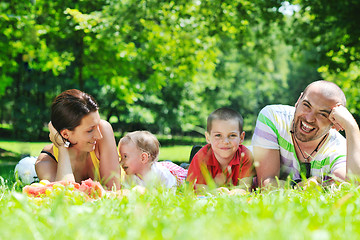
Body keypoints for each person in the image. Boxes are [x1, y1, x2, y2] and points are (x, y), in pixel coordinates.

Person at [251, 80, 360, 188]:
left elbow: (353, 186)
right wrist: (299, 187)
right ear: (298, 100)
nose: (309, 118)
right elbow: (266, 183)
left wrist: (352, 127)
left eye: (322, 114)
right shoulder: (273, 118)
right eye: (307, 105)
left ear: (335, 122)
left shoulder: (339, 148)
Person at [35, 89, 121, 189]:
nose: (99, 136)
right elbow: (64, 196)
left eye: (98, 124)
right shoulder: (45, 163)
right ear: (65, 134)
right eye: (90, 130)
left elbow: (113, 189)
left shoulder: (103, 130)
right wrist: (62, 148)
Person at [186, 107, 255, 190]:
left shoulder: (245, 155)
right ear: (208, 137)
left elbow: (245, 187)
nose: (225, 142)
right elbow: (194, 187)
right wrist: (215, 191)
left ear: (241, 137)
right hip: (201, 161)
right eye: (218, 135)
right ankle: (187, 165)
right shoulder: (201, 157)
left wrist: (232, 193)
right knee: (183, 173)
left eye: (232, 135)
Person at [118, 130, 187, 189]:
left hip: (172, 171)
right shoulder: (129, 176)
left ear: (143, 158)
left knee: (185, 173)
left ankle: (185, 166)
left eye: (125, 156)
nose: (120, 162)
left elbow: (171, 189)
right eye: (120, 157)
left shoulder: (161, 173)